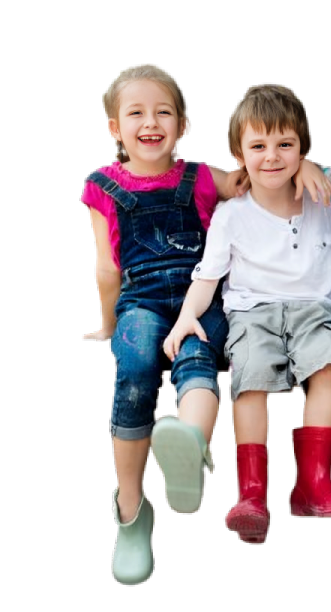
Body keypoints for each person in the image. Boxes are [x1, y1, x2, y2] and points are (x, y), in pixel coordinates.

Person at [163, 83, 331, 547]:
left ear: (303, 149)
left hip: (315, 309)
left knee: (327, 370)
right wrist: (187, 316)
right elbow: (208, 276)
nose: (272, 157)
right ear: (238, 153)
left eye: (285, 145)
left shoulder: (329, 201)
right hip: (253, 311)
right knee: (248, 382)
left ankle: (313, 485)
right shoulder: (233, 215)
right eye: (258, 146)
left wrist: (315, 167)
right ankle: (251, 495)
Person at [82, 64, 245, 585]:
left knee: (198, 355)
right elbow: (107, 267)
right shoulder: (102, 185)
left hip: (199, 300)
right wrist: (108, 326)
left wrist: (305, 167)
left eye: (163, 112)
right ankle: (131, 512)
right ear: (114, 128)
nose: (150, 122)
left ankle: (189, 446)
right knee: (134, 368)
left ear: (184, 125)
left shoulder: (205, 177)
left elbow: (260, 180)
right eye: (136, 113)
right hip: (142, 303)